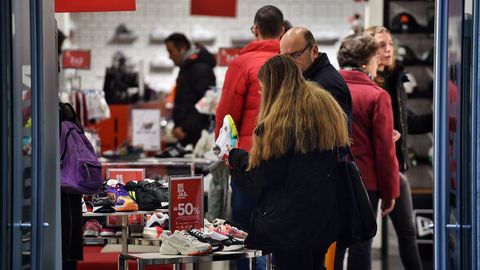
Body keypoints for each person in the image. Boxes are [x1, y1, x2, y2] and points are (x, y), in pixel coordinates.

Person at [226, 55, 350, 270]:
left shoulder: (278, 125)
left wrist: (233, 157)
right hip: (325, 217)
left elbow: (261, 178)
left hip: (289, 225)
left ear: (274, 87)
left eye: (262, 87)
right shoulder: (326, 106)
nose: (259, 92)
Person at [214, 6, 284, 270]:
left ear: (255, 29)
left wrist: (225, 154)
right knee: (281, 227)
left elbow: (226, 117)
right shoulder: (291, 63)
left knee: (243, 232)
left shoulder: (241, 64)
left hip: (248, 159)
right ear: (283, 31)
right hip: (284, 158)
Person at [365, 25, 432, 270]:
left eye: (390, 44)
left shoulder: (395, 80)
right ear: (369, 48)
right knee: (363, 238)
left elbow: (407, 122)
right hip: (369, 172)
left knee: (408, 232)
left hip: (394, 169)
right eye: (382, 45)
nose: (388, 49)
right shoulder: (367, 83)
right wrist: (381, 137)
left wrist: (442, 116)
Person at [334, 34, 400, 270]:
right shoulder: (377, 96)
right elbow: (384, 149)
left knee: (335, 242)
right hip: (366, 182)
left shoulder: (325, 89)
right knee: (361, 243)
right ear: (365, 63)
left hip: (332, 177)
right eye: (375, 57)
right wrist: (390, 192)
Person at [280, 26, 352, 130]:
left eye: (295, 55)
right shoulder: (302, 77)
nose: (289, 63)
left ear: (314, 51)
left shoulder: (328, 85)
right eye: (284, 58)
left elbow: (333, 138)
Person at [165, 33, 216, 146]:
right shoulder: (188, 68)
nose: (169, 56)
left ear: (182, 48)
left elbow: (206, 103)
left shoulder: (199, 68)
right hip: (189, 133)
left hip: (196, 136)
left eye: (170, 51)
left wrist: (185, 128)